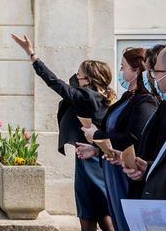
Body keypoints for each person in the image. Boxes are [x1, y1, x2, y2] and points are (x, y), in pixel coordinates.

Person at [11, 34, 115, 231]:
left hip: (89, 159)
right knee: (102, 211)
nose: (75, 76)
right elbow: (69, 84)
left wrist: (32, 55)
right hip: (96, 157)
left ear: (89, 79)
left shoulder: (86, 97)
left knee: (90, 212)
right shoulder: (100, 96)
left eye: (79, 73)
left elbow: (55, 82)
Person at [78, 47, 158, 231]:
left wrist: (96, 136)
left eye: (123, 67)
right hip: (112, 169)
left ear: (137, 71)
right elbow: (114, 131)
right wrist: (96, 149)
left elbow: (132, 137)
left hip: (127, 173)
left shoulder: (145, 100)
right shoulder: (128, 97)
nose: (120, 72)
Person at [123, 46, 166, 199]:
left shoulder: (147, 102)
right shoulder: (163, 107)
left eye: (155, 72)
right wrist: (147, 167)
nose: (152, 78)